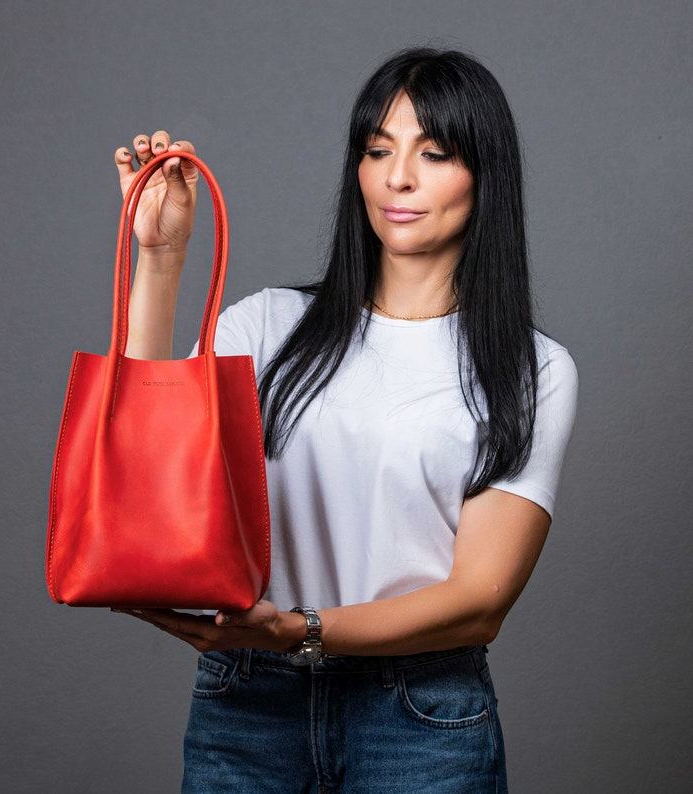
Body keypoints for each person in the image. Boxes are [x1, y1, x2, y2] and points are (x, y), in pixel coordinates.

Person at [110, 46, 579, 793]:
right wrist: (162, 259)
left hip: (420, 719)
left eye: (434, 153)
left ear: (484, 174)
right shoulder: (267, 327)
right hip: (247, 702)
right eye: (377, 149)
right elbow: (139, 463)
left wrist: (302, 631)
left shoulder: (530, 367)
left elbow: (479, 601)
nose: (398, 177)